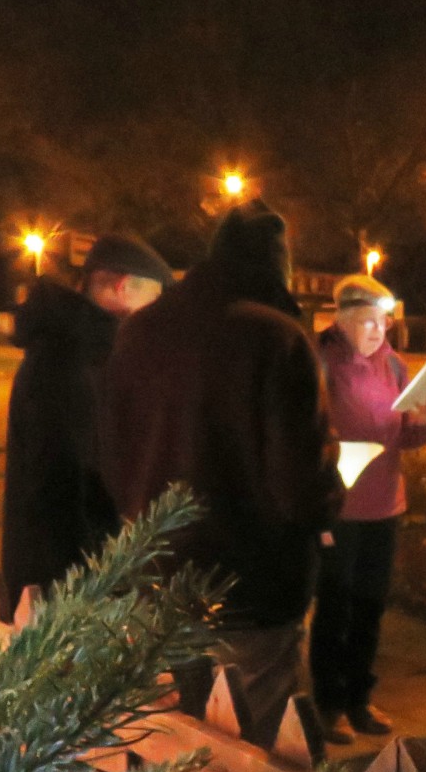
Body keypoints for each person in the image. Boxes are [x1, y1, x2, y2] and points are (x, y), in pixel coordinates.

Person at [100, 202, 342, 739]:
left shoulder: (141, 332)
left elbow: (114, 452)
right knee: (248, 756)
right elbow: (300, 482)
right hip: (251, 586)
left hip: (156, 576)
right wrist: (330, 502)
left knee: (164, 742)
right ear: (278, 266)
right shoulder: (278, 338)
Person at [0, 234, 171, 607]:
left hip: (59, 581)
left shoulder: (70, 347)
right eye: (154, 299)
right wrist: (99, 583)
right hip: (66, 592)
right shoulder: (72, 360)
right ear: (124, 288)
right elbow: (64, 487)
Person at [309, 275, 426, 743]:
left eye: (383, 322)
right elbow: (303, 429)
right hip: (338, 505)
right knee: (335, 607)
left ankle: (360, 699)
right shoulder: (319, 361)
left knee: (369, 606)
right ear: (341, 320)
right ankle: (329, 703)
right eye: (367, 321)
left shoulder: (396, 367)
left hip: (385, 503)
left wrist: (422, 422)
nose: (377, 330)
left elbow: (408, 436)